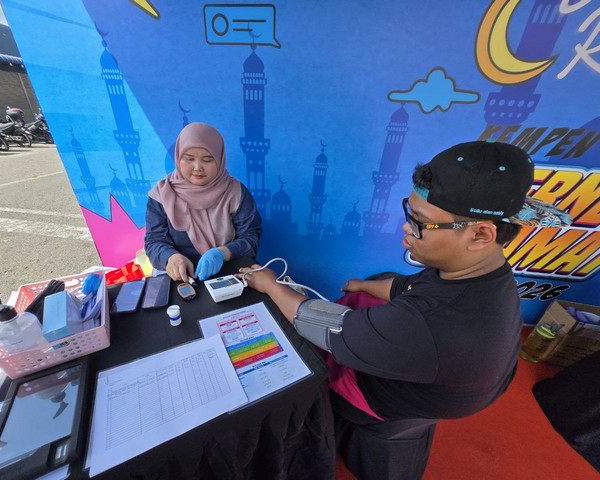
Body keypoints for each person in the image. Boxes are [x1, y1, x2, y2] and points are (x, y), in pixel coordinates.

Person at [238, 140, 572, 480]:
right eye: (408, 212)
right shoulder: (486, 272)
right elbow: (408, 286)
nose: (405, 227)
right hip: (453, 383)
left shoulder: (431, 323)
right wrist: (364, 286)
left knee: (297, 354)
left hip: (386, 400)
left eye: (419, 222)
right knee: (378, 282)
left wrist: (270, 285)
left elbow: (321, 325)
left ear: (480, 235)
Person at [145, 122, 262, 282]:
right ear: (178, 158)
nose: (198, 167)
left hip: (231, 274)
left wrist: (221, 253)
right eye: (189, 159)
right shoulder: (161, 194)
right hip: (182, 279)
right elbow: (154, 240)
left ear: (220, 160)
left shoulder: (236, 192)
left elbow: (250, 238)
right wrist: (171, 257)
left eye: (207, 160)